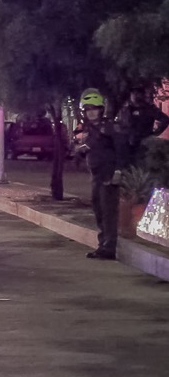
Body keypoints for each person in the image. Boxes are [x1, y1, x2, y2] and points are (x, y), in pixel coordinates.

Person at [75, 88, 129, 260]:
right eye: (88, 109)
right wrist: (81, 149)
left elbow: (121, 150)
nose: (91, 112)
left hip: (108, 175)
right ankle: (102, 245)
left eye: (94, 109)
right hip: (96, 176)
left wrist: (118, 171)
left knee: (108, 212)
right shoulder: (90, 130)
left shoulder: (110, 127)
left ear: (101, 109)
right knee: (98, 210)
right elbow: (91, 148)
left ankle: (109, 247)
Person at [116, 85, 169, 162]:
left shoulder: (149, 109)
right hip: (127, 145)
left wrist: (155, 133)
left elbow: (165, 119)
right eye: (133, 93)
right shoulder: (125, 109)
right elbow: (119, 124)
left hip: (144, 144)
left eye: (138, 93)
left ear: (142, 95)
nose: (135, 95)